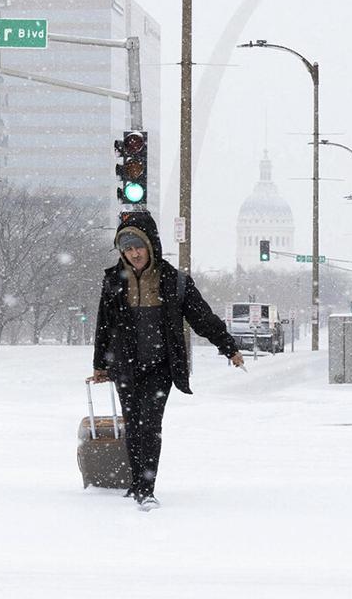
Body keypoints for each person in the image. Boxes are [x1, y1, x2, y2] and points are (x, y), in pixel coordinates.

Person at [90, 212, 245, 511]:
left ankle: (146, 489)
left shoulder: (174, 281)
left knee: (150, 424)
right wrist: (100, 365)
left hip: (160, 367)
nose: (134, 254)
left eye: (139, 246)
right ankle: (137, 482)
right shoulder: (113, 281)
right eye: (128, 248)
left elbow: (203, 318)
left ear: (151, 245)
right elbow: (104, 325)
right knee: (133, 426)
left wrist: (228, 346)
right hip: (126, 366)